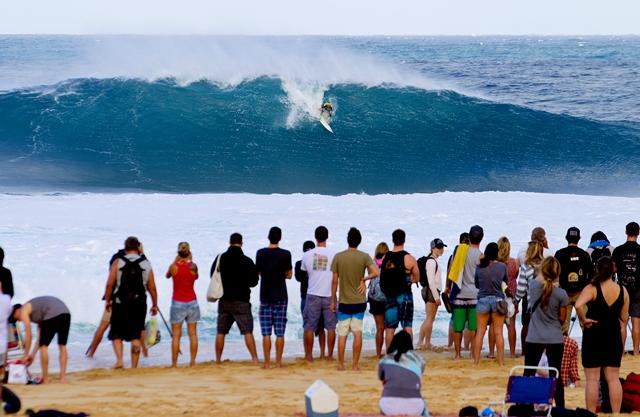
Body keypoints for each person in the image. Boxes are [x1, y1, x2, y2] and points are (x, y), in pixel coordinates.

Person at [576, 256, 629, 413]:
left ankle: (591, 413)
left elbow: (578, 304)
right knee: (613, 378)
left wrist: (584, 319)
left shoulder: (592, 288)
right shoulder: (622, 290)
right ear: (613, 270)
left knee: (592, 379)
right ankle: (616, 414)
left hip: (594, 335)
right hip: (613, 335)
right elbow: (624, 318)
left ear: (597, 269)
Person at [105, 236, 158, 369]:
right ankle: (134, 365)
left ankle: (119, 360)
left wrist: (107, 300)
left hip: (120, 303)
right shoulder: (146, 263)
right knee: (136, 334)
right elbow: (152, 287)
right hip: (139, 303)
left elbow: (110, 284)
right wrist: (155, 304)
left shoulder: (117, 262)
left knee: (116, 333)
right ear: (138, 247)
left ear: (126, 247)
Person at [330, 227, 378, 371]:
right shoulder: (364, 256)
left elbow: (334, 281)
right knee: (357, 332)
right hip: (359, 301)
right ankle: (355, 365)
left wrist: (333, 300)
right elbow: (376, 272)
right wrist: (365, 278)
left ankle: (340, 364)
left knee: (342, 333)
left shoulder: (339, 257)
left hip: (344, 301)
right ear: (359, 241)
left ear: (347, 240)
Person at [523, 257, 568, 408]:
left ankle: (526, 407)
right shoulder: (561, 294)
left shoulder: (533, 286)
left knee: (528, 374)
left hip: (534, 336)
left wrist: (541, 268)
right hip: (554, 337)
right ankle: (560, 408)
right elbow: (562, 319)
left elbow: (538, 278)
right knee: (556, 375)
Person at [212, 233, 259, 364]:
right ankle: (255, 359)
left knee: (221, 332)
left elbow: (213, 275)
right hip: (242, 300)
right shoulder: (247, 261)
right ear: (241, 243)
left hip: (224, 300)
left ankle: (217, 360)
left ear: (230, 242)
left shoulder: (221, 258)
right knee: (247, 331)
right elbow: (254, 282)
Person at [10, 296, 71, 384]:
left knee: (44, 347)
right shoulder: (37, 312)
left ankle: (45, 379)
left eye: (16, 318)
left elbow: (29, 334)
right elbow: (40, 338)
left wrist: (25, 355)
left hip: (52, 313)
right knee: (62, 345)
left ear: (17, 310)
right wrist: (32, 355)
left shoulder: (23, 310)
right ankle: (63, 378)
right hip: (65, 313)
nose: (18, 321)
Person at [255, 227, 292, 369]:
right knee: (280, 333)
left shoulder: (260, 253)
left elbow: (257, 273)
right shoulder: (285, 254)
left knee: (266, 333)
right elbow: (289, 275)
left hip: (265, 295)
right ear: (280, 238)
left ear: (268, 237)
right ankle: (278, 362)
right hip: (281, 296)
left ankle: (266, 363)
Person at [301, 226, 336, 362]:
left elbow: (306, 272)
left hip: (312, 293)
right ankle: (330, 355)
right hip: (328, 294)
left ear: (315, 237)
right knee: (331, 327)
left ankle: (309, 356)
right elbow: (335, 277)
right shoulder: (333, 254)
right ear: (327, 237)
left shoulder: (307, 255)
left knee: (309, 326)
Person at [380, 229, 420, 347]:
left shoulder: (386, 257)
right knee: (407, 327)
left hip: (389, 296)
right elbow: (417, 277)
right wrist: (411, 278)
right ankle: (408, 354)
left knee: (390, 329)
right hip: (405, 295)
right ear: (404, 240)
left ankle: (389, 356)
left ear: (393, 240)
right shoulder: (409, 258)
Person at [449, 225, 484, 359]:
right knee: (473, 327)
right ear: (481, 239)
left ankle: (457, 355)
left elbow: (453, 271)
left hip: (459, 293)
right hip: (475, 295)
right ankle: (471, 353)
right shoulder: (481, 256)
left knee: (458, 326)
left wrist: (448, 287)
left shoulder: (460, 252)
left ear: (469, 237)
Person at [473, 242, 508, 366]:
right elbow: (506, 282)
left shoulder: (479, 267)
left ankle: (476, 361)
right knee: (498, 332)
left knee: (480, 332)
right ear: (497, 253)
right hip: (498, 300)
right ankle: (501, 362)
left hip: (483, 299)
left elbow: (476, 285)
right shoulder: (502, 266)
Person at [165, 241, 200, 367]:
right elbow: (196, 277)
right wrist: (190, 260)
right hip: (192, 302)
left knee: (176, 336)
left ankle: (174, 364)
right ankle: (192, 362)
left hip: (177, 302)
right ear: (189, 252)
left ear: (178, 253)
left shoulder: (174, 267)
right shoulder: (193, 266)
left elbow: (167, 275)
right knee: (193, 334)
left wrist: (175, 261)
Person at [377, 330, 428, 416]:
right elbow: (417, 377)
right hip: (415, 407)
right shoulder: (419, 360)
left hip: (389, 406)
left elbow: (382, 379)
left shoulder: (384, 360)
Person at [554, 227, 592, 335]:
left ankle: (562, 350)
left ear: (566, 238)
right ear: (579, 239)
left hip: (564, 293)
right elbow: (591, 275)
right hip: (581, 293)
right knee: (586, 325)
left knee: (562, 326)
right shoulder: (584, 255)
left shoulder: (559, 254)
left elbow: (554, 273)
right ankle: (588, 350)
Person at [611, 221, 640, 356]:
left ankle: (621, 351)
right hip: (638, 289)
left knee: (622, 323)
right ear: (638, 233)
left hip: (622, 289)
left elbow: (614, 268)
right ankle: (635, 351)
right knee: (636, 322)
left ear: (626, 232)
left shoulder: (618, 250)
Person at [296, 240, 327, 360]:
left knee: (307, 326)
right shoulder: (319, 262)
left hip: (306, 297)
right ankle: (322, 354)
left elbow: (298, 278)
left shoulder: (300, 263)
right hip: (319, 295)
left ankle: (307, 354)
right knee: (321, 327)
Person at [515, 241, 544, 355]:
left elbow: (521, 289)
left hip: (531, 302)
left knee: (526, 326)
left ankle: (525, 351)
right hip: (546, 301)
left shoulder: (526, 268)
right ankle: (542, 351)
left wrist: (516, 300)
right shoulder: (545, 266)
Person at [417, 238, 446, 350]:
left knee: (429, 318)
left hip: (431, 291)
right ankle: (426, 342)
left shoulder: (433, 261)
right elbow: (431, 281)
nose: (441, 249)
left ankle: (421, 342)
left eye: (442, 247)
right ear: (433, 248)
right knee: (430, 318)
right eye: (439, 247)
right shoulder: (431, 261)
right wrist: (436, 297)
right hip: (431, 291)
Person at [446, 233, 471, 351]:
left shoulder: (453, 256)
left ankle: (451, 345)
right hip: (469, 290)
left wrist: (447, 286)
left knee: (454, 319)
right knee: (467, 321)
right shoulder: (470, 254)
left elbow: (449, 272)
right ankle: (466, 346)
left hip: (455, 290)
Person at [497, 236, 519, 358]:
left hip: (498, 295)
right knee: (512, 326)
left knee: (497, 325)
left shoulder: (493, 263)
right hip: (511, 295)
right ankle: (511, 352)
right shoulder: (514, 262)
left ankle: (493, 351)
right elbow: (515, 275)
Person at [369, 242, 389, 357]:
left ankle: (378, 353)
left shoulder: (371, 262)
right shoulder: (389, 262)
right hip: (387, 297)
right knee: (388, 328)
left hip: (374, 298)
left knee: (379, 328)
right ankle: (388, 351)